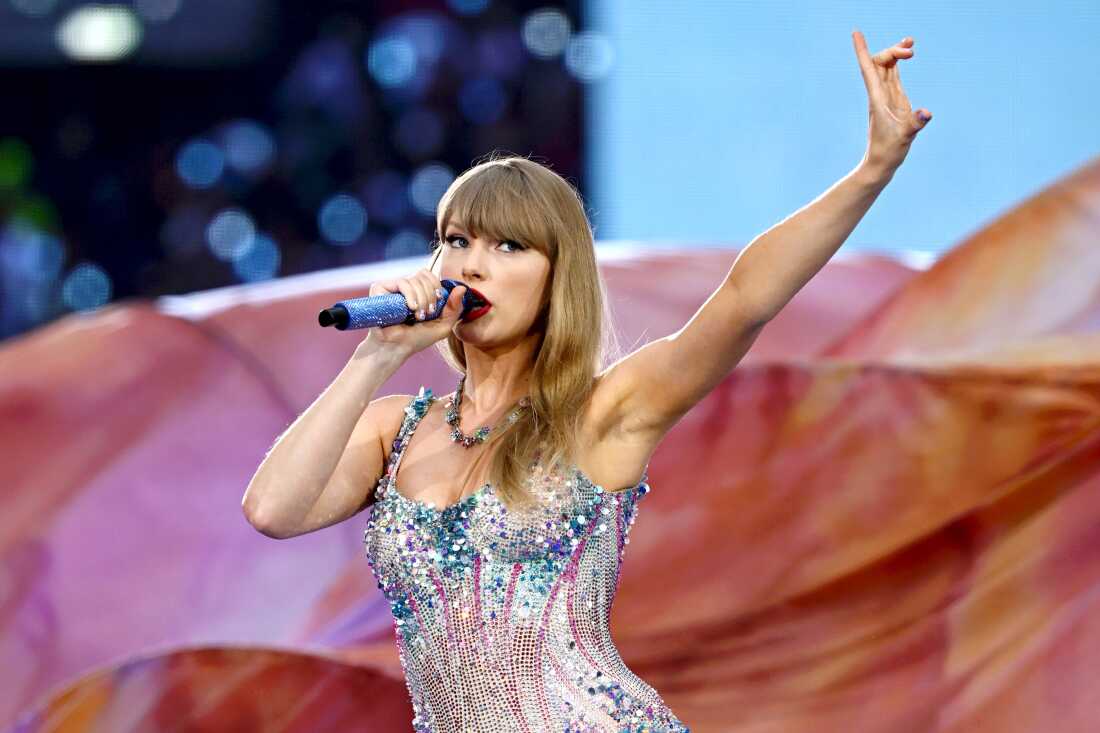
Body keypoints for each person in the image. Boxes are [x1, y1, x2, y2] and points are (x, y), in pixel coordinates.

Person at [243, 30, 930, 731]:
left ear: (555, 276)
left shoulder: (603, 411)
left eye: (508, 245)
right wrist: (376, 355)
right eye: (457, 240)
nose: (471, 265)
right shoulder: (396, 426)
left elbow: (743, 300)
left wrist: (874, 166)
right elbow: (272, 509)